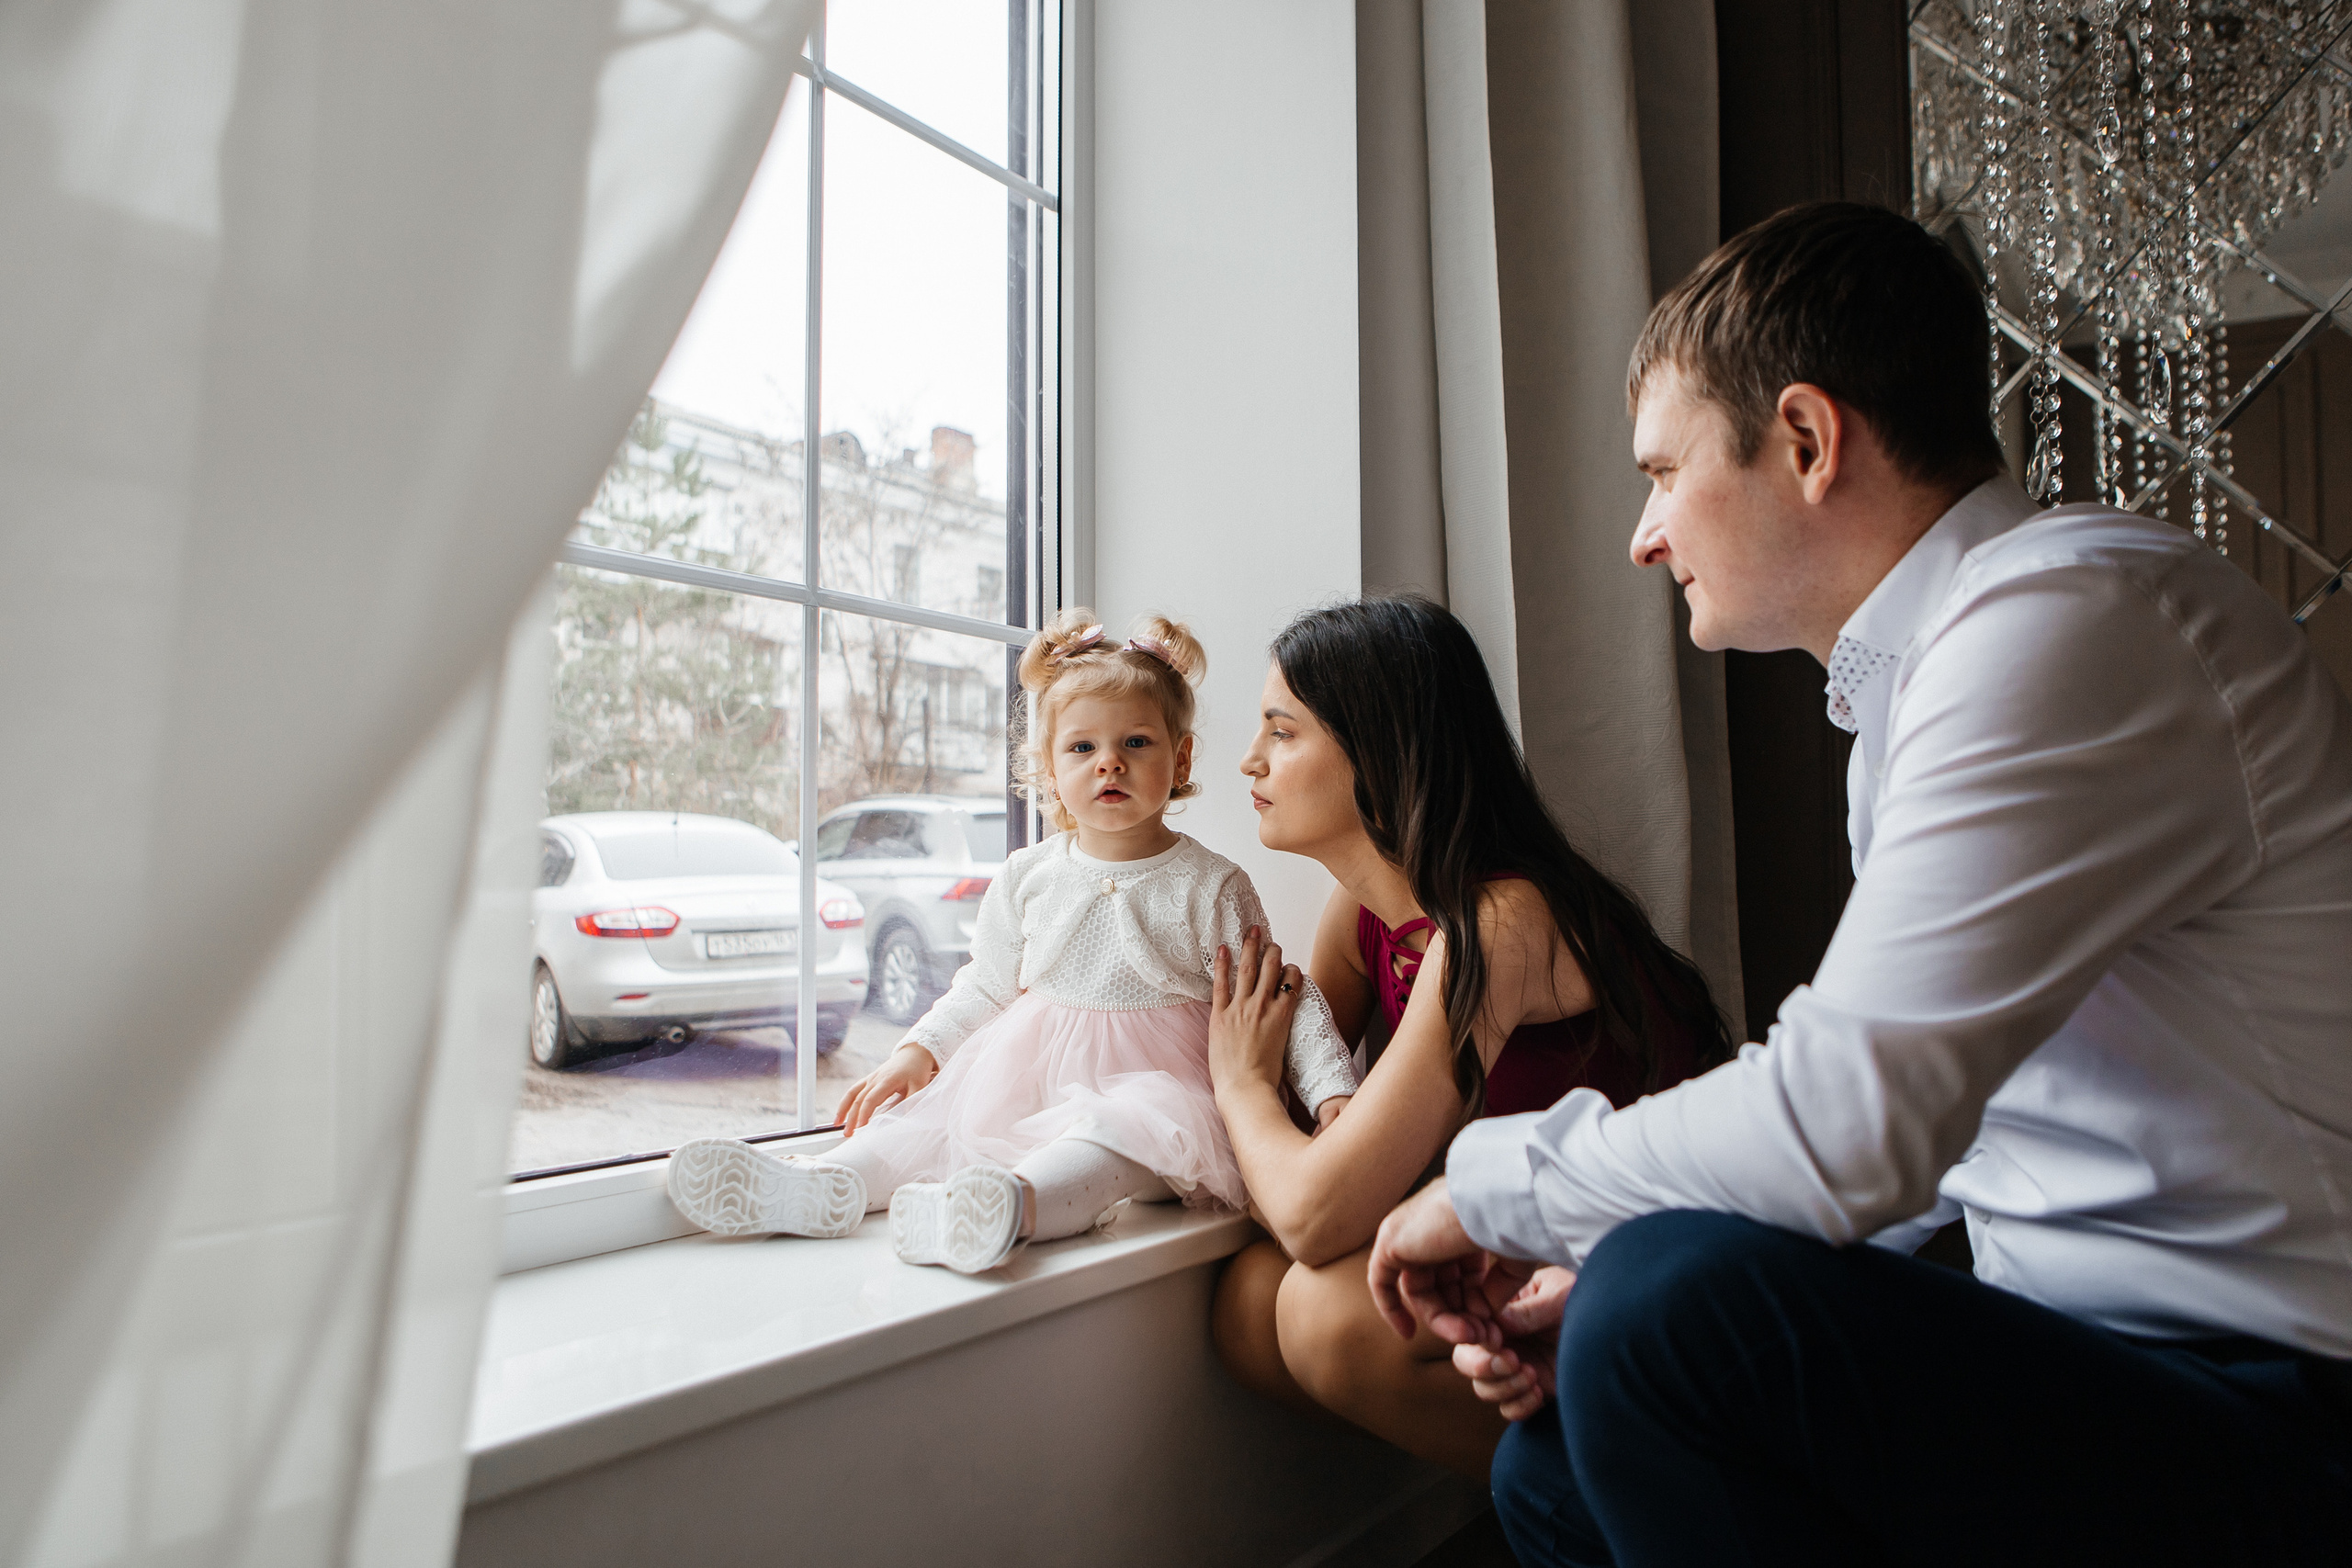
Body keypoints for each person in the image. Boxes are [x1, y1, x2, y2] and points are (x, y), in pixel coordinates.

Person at [1353, 201, 2352, 1564]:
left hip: (2283, 1399)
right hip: (2101, 1365)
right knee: (1557, 1455)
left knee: (1660, 1312)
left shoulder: (2063, 625)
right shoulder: (1936, 681)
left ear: (1809, 442)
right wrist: (1591, 1267)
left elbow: (1847, 1123)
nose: (1644, 535)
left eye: (1662, 470)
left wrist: (1492, 1183)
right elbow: (1921, 1139)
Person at [1205, 596, 1731, 1477]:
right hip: (1514, 1245)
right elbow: (1299, 1190)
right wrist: (1316, 1157)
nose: (1250, 760)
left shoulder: (1501, 921)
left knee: (1319, 1314)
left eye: (1283, 732)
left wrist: (1243, 1089)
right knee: (1248, 1307)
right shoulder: (1364, 915)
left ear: (1379, 750)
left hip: (1642, 1258)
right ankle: (1545, 1487)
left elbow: (1308, 1209)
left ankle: (1628, 1494)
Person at [665, 610, 1360, 1273]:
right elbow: (985, 983)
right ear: (1049, 768)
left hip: (1162, 1097)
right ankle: (819, 1183)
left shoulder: (1210, 883)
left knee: (1107, 1142)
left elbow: (1283, 1001)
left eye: (1135, 743)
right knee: (925, 1125)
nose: (1108, 764)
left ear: (1179, 760)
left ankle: (1007, 1207)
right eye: (1082, 747)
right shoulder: (1030, 874)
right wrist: (920, 1049)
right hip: (1030, 1073)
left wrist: (1332, 1092)